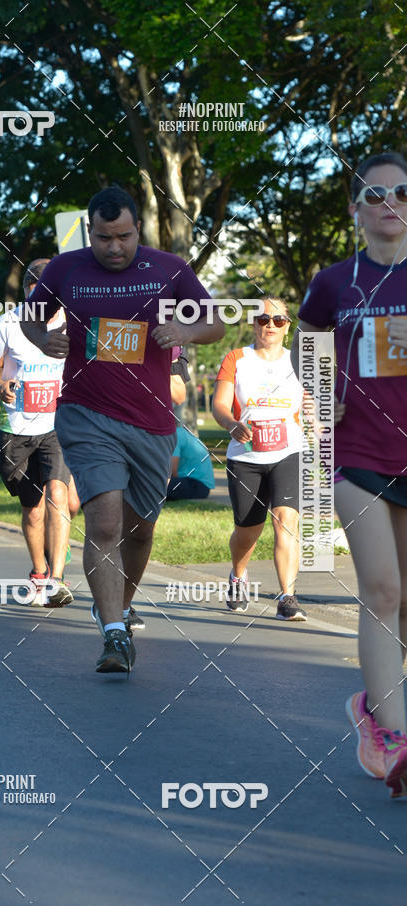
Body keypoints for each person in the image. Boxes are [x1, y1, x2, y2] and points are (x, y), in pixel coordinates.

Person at [21, 185, 224, 673]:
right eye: (103, 237)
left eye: (124, 237)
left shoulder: (169, 268)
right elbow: (29, 317)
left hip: (152, 422)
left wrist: (185, 332)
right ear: (89, 231)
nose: (114, 247)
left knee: (140, 531)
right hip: (86, 414)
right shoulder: (64, 268)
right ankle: (113, 634)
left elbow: (214, 322)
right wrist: (42, 336)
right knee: (106, 522)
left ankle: (119, 602)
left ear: (139, 230)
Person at [292, 151, 407, 798]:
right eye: (375, 194)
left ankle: (374, 707)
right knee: (383, 590)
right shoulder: (335, 282)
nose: (390, 202)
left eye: (402, 192)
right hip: (357, 453)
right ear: (355, 208)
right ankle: (392, 740)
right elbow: (307, 343)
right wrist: (317, 389)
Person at [0, 259, 75, 607]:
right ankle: (38, 572)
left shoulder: (72, 322)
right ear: (28, 291)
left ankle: (57, 580)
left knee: (58, 496)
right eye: (36, 287)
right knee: (33, 509)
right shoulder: (9, 322)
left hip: (57, 425)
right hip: (16, 428)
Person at [212, 297, 306, 620]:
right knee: (247, 532)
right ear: (253, 324)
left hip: (288, 452)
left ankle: (287, 597)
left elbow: (311, 405)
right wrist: (231, 424)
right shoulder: (236, 359)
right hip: (246, 457)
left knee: (286, 521)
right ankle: (238, 574)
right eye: (263, 320)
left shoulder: (298, 361)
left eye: (278, 321)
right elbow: (220, 405)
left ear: (287, 326)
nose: (270, 325)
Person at [167, 426, 215, 501]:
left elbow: (172, 471)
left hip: (197, 484)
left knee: (157, 484)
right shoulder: (179, 432)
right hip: (199, 485)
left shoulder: (175, 435)